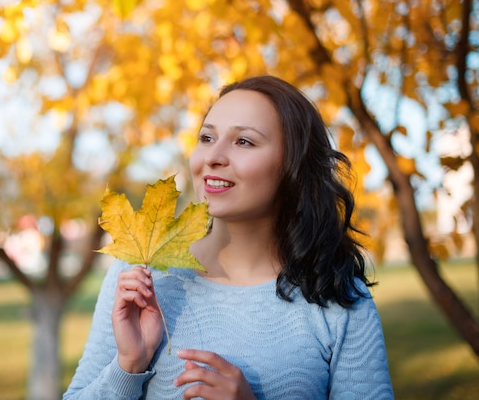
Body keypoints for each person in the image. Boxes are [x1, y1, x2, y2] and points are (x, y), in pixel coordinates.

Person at [63, 75, 393, 399]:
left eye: (243, 141)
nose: (213, 157)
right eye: (207, 138)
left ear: (293, 166)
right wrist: (129, 366)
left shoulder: (339, 298)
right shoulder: (140, 277)